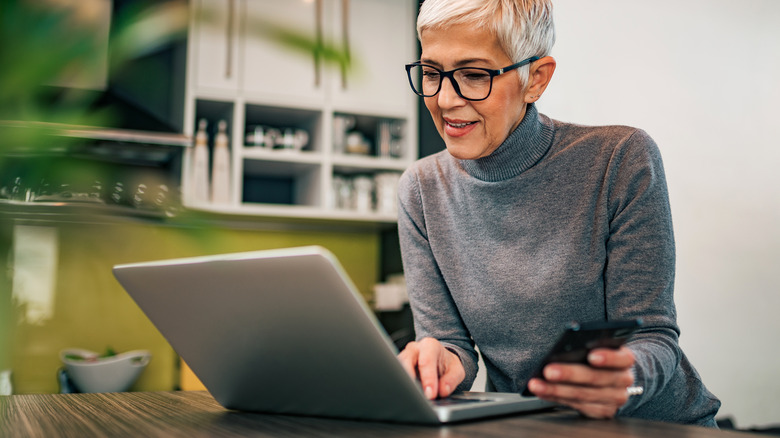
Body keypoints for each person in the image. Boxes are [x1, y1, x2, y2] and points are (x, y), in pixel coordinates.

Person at [396, 0, 721, 427]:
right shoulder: (421, 189)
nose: (445, 100)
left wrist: (625, 379)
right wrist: (441, 361)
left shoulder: (620, 160)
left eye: (474, 75)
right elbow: (451, 346)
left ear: (536, 79)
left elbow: (654, 337)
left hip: (657, 427)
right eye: (432, 73)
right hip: (531, 427)